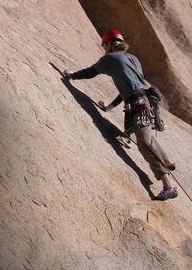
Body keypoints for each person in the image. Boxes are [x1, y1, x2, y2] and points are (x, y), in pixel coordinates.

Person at [63, 29, 178, 201]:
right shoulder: (133, 59)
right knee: (146, 138)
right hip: (145, 101)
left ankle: (168, 186)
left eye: (104, 45)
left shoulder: (110, 59)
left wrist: (72, 76)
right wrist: (109, 107)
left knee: (145, 144)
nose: (104, 49)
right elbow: (128, 88)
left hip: (137, 104)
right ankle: (167, 161)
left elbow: (91, 72)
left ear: (109, 44)